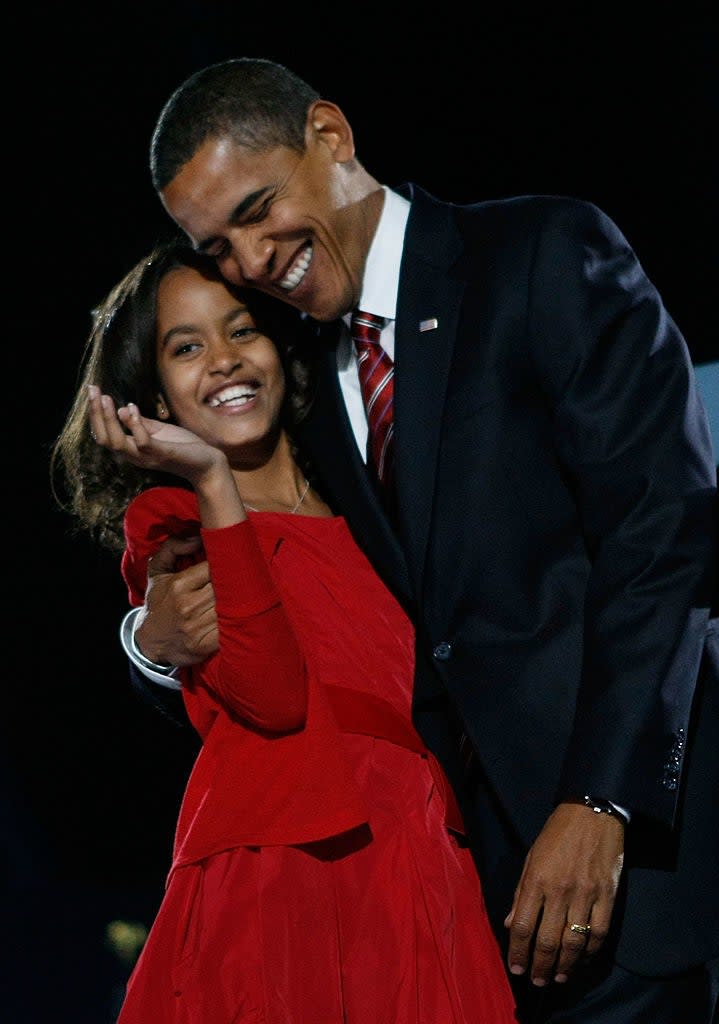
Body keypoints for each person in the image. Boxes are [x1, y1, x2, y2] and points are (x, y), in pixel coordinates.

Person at [122, 58, 719, 1022]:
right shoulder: (305, 383)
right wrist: (149, 646)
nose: (250, 261)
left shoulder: (541, 252)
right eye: (220, 246)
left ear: (328, 137)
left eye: (257, 210)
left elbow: (661, 533)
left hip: (640, 859)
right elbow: (297, 635)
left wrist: (602, 802)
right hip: (479, 901)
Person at [51, 239, 518, 1024]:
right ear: (155, 397)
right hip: (282, 863)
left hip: (417, 850)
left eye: (243, 330)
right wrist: (208, 478)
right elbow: (270, 696)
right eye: (187, 346)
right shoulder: (169, 524)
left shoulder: (369, 492)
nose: (226, 360)